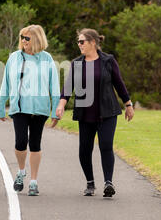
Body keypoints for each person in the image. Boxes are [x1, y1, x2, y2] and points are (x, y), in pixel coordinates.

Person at [56, 28, 134, 198]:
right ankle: (90, 183)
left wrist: (128, 104)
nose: (79, 45)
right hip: (85, 114)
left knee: (106, 145)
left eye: (82, 41)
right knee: (84, 149)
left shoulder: (108, 61)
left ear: (93, 42)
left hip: (107, 112)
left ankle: (108, 182)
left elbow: (119, 83)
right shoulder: (77, 63)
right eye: (78, 42)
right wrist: (61, 105)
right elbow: (68, 88)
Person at [0, 24, 60, 196]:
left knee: (35, 144)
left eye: (27, 38)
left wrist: (55, 111)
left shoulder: (47, 59)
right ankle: (21, 170)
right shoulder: (14, 58)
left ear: (37, 39)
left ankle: (33, 181)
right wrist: (1, 107)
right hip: (19, 107)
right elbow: (6, 84)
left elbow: (54, 86)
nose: (23, 41)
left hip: (40, 108)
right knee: (20, 142)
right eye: (22, 37)